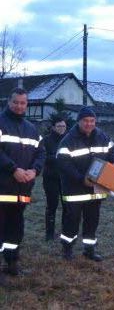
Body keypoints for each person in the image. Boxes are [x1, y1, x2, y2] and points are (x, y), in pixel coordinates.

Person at [57, 107, 114, 261]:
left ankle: (89, 249)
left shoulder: (102, 136)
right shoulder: (68, 140)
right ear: (79, 121)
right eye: (85, 121)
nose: (89, 124)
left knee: (92, 219)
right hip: (74, 189)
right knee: (71, 220)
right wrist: (81, 179)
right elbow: (63, 164)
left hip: (96, 188)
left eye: (92, 121)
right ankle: (67, 249)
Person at [0, 87, 45, 276]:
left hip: (23, 189)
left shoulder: (31, 128)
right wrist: (13, 169)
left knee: (15, 229)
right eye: (16, 102)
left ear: (27, 104)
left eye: (23, 103)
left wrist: (34, 170)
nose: (19, 106)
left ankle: (12, 263)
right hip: (2, 187)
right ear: (9, 102)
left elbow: (41, 152)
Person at [41, 117, 67, 241]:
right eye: (59, 126)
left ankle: (65, 232)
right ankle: (49, 234)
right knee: (52, 205)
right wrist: (58, 157)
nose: (62, 129)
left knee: (67, 206)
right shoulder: (46, 140)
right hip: (50, 178)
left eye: (63, 126)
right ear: (53, 127)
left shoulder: (69, 140)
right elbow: (43, 157)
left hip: (66, 178)